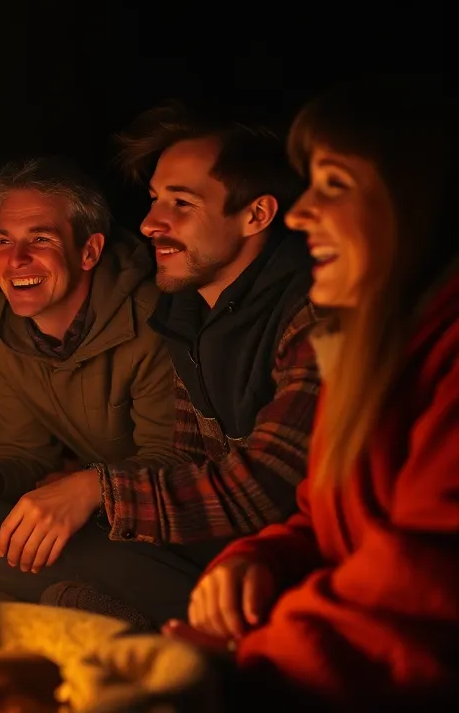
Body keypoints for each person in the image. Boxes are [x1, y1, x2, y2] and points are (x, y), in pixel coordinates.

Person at [173, 82, 458, 707]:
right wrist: (260, 563)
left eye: (333, 184)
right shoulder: (369, 349)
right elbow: (326, 521)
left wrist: (242, 661)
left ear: (417, 201)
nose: (302, 215)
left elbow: (425, 580)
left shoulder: (414, 350)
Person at [0, 157, 187, 623]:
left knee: (101, 547)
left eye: (39, 239)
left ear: (89, 251)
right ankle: (105, 603)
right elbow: (25, 452)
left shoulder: (153, 318)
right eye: (3, 241)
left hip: (166, 521)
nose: (16, 260)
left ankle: (169, 607)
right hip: (94, 524)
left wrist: (89, 488)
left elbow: (179, 462)